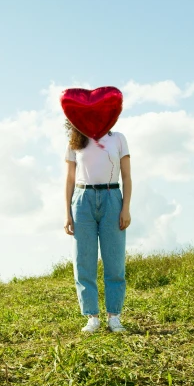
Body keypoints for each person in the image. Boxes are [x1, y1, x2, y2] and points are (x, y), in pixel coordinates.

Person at [63, 121, 132, 333]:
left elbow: (127, 176)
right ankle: (92, 316)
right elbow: (70, 179)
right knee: (83, 260)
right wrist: (67, 212)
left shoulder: (118, 138)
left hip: (112, 198)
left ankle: (114, 316)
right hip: (83, 200)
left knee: (115, 259)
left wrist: (126, 208)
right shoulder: (75, 140)